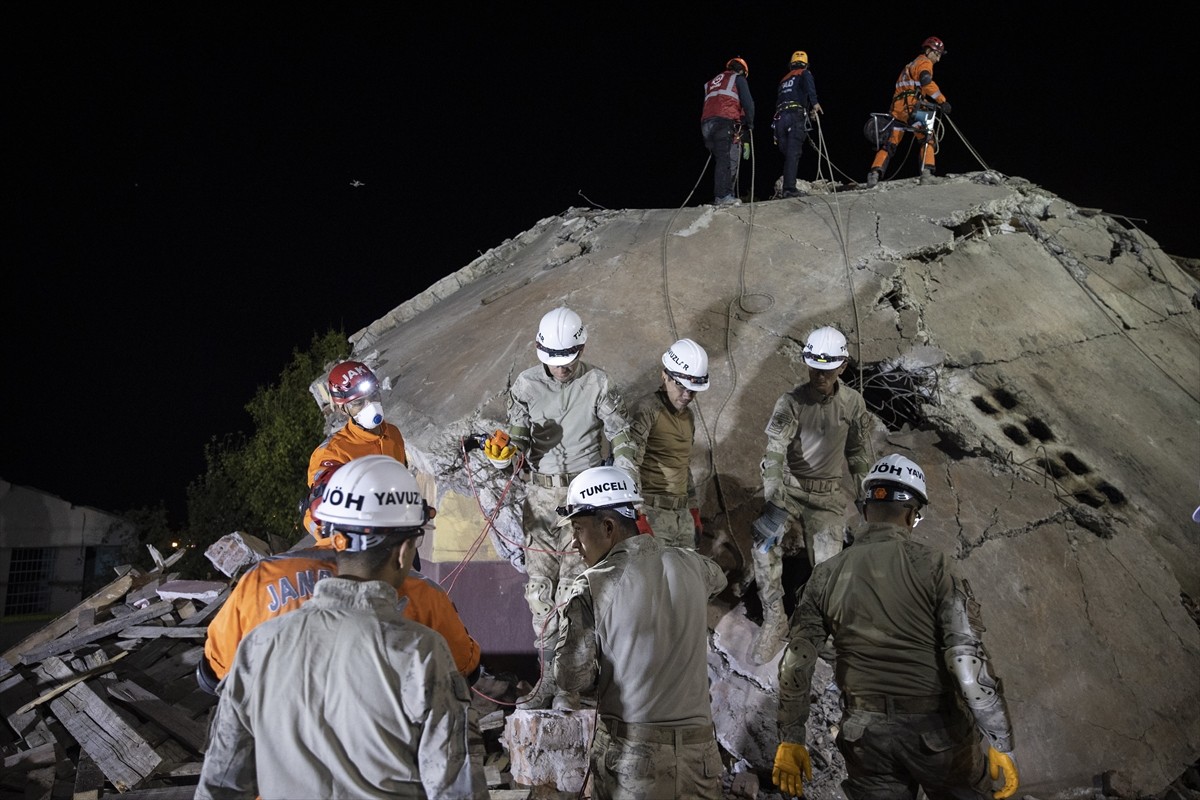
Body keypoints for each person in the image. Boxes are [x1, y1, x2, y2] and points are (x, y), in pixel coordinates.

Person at [195, 455, 488, 800]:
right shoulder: (420, 652)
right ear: (404, 551)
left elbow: (220, 785)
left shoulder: (259, 646)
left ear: (333, 535)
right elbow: (456, 789)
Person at [771, 454, 1019, 800]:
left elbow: (797, 659)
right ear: (912, 514)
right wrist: (999, 739)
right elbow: (965, 660)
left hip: (865, 737)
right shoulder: (934, 565)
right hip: (937, 733)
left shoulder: (826, 573)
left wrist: (790, 737)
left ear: (865, 507)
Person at [198, 464, 482, 693]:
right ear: (404, 548)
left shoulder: (260, 582)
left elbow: (215, 673)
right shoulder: (425, 595)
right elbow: (464, 670)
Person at [554, 466, 727, 800]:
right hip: (700, 757)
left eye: (578, 529)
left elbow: (571, 679)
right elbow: (718, 578)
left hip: (635, 760)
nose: (574, 543)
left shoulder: (592, 585)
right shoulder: (694, 565)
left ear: (607, 526)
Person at [504, 306, 638, 709]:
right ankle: (546, 681)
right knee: (540, 593)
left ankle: (570, 687)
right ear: (540, 352)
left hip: (585, 498)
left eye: (569, 361)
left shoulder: (598, 383)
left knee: (572, 593)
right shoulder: (526, 385)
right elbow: (517, 441)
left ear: (582, 348)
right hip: (541, 498)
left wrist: (626, 477)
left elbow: (622, 436)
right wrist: (508, 454)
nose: (561, 370)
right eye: (554, 362)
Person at [750, 325, 876, 665]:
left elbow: (859, 453)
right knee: (763, 546)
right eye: (814, 367)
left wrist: (868, 496)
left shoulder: (853, 404)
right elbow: (774, 452)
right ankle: (775, 617)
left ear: (842, 367)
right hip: (790, 490)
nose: (819, 374)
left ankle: (815, 626)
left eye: (827, 368)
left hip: (827, 498)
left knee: (829, 568)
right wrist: (773, 499)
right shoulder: (790, 403)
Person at [301, 359, 407, 542]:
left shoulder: (393, 434)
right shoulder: (333, 453)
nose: (371, 405)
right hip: (364, 547)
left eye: (374, 395)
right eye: (359, 403)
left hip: (402, 536)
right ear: (343, 409)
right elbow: (318, 510)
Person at [629, 338, 710, 549]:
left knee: (687, 578)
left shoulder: (688, 417)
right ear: (665, 375)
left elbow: (684, 466)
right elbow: (628, 464)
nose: (687, 396)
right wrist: (637, 514)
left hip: (681, 516)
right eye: (681, 387)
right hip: (653, 512)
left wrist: (693, 511)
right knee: (657, 579)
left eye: (693, 391)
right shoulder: (646, 410)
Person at [867, 36, 952, 188]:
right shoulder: (924, 62)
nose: (938, 59)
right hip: (913, 108)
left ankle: (874, 174)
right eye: (937, 54)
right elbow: (926, 81)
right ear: (928, 50)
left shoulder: (908, 66)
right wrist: (942, 100)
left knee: (890, 143)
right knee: (928, 137)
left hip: (897, 109)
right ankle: (927, 174)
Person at [701, 56, 755, 206]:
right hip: (723, 121)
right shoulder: (737, 78)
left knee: (723, 159)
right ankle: (723, 196)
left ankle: (726, 194)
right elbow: (748, 103)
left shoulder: (712, 82)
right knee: (725, 160)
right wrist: (749, 124)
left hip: (706, 125)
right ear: (742, 70)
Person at [773, 50, 823, 199]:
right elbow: (809, 88)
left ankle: (788, 184)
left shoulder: (783, 80)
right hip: (795, 116)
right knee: (793, 153)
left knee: (789, 153)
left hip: (780, 118)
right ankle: (789, 188)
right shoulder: (804, 73)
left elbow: (781, 99)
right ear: (805, 64)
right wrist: (815, 104)